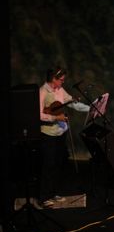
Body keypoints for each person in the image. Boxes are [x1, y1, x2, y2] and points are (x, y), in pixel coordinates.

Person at [39, 66, 90, 208]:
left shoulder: (60, 90)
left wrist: (90, 108)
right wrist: (56, 118)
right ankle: (43, 197)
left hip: (60, 133)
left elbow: (72, 103)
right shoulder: (42, 92)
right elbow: (39, 114)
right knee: (48, 165)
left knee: (58, 164)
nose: (63, 82)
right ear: (53, 79)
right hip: (48, 135)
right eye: (61, 80)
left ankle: (53, 193)